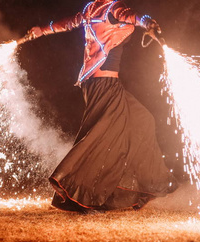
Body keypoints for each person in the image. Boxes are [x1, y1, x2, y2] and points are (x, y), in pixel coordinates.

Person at [24, 0, 177, 213]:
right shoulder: (114, 8)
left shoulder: (91, 8)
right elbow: (133, 16)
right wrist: (148, 23)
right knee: (101, 137)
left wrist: (43, 30)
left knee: (142, 120)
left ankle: (138, 187)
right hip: (104, 83)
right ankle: (74, 190)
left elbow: (69, 23)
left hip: (96, 82)